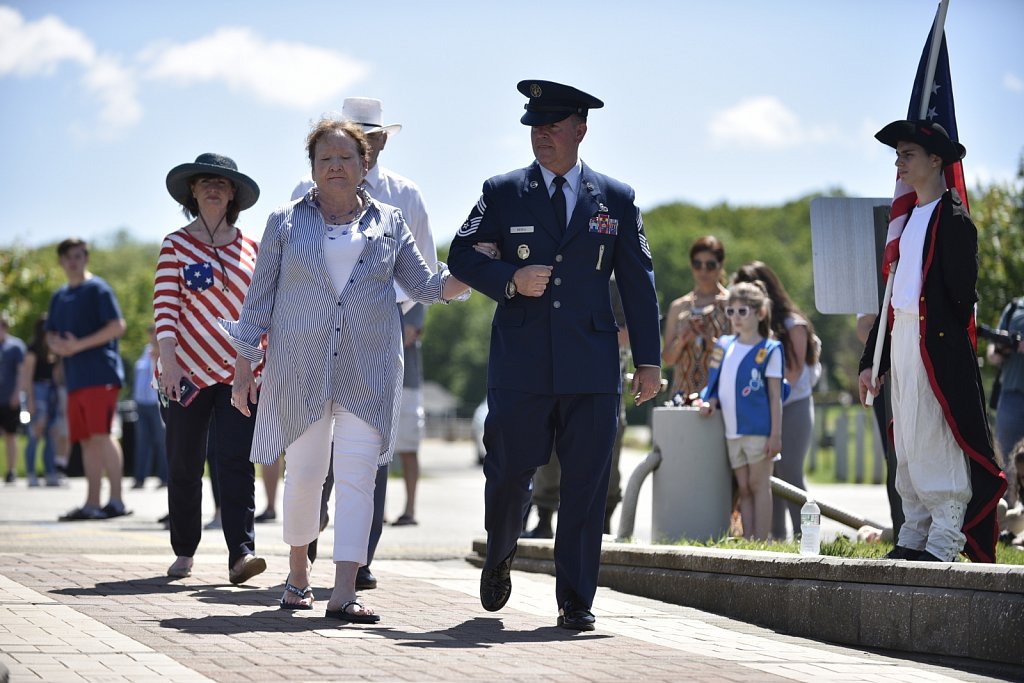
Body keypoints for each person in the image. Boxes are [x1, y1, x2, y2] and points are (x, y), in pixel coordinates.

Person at [224, 118, 469, 622]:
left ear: (365, 165)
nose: (335, 166)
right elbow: (259, 298)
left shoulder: (391, 222)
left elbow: (424, 285)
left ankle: (344, 591)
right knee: (305, 475)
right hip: (300, 366)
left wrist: (475, 273)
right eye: (324, 159)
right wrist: (244, 364)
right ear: (312, 169)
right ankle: (297, 575)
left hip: (369, 368)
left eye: (346, 158)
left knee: (359, 477)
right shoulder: (284, 222)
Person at [447, 80, 662, 632]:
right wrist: (511, 279)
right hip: (521, 365)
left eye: (552, 125)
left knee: (585, 487)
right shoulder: (503, 191)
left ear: (579, 130)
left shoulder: (615, 197)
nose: (541, 135)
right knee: (508, 474)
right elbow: (462, 252)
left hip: (590, 366)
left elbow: (638, 282)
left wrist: (648, 359)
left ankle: (576, 600)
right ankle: (500, 552)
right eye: (534, 126)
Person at [292, 98, 438, 590]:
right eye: (349, 138)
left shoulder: (405, 196)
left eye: (367, 138)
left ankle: (358, 562)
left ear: (381, 142)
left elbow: (424, 271)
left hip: (379, 332)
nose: (357, 148)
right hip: (314, 339)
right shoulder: (302, 194)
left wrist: (385, 310)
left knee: (367, 455)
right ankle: (305, 556)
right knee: (313, 460)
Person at [859, 120, 1006, 563]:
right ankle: (914, 534)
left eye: (908, 155)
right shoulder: (906, 221)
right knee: (907, 440)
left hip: (933, 346)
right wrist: (873, 360)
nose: (899, 163)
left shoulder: (954, 219)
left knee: (936, 439)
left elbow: (960, 300)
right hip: (902, 337)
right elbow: (891, 299)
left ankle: (943, 541)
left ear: (935, 160)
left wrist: (930, 340)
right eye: (898, 155)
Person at [156, 153, 266, 584]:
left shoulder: (253, 248)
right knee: (184, 462)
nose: (214, 189)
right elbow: (165, 310)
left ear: (233, 194)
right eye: (205, 183)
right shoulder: (175, 245)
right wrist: (168, 365)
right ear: (193, 193)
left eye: (222, 183)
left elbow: (263, 311)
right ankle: (184, 551)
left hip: (242, 374)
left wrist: (261, 364)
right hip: (188, 375)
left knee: (237, 462)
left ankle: (242, 553)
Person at [522, 277, 629, 539]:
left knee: (608, 456)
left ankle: (602, 524)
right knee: (549, 454)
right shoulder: (556, 274)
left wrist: (586, 335)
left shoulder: (616, 283)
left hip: (603, 382)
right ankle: (544, 519)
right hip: (557, 376)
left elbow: (627, 334)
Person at [733, 261, 819, 540]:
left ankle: (806, 538)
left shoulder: (794, 324)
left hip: (792, 406)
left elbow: (791, 375)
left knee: (791, 473)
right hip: (764, 411)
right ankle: (778, 540)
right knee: (770, 478)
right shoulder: (747, 328)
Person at [46, 238, 130, 521]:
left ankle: (116, 501)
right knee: (85, 441)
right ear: (60, 261)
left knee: (102, 434)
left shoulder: (99, 289)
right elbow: (50, 334)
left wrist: (77, 345)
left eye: (80, 255)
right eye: (69, 256)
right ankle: (92, 504)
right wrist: (57, 346)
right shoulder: (58, 296)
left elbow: (118, 326)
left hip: (101, 375)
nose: (74, 261)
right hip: (75, 379)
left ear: (86, 258)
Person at [698, 282, 784, 540]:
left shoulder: (770, 349)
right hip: (732, 429)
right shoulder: (724, 344)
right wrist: (709, 400)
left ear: (760, 313)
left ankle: (762, 540)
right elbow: (714, 383)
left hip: (758, 430)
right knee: (744, 488)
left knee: (759, 486)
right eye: (730, 312)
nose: (735, 318)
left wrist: (776, 435)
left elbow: (775, 396)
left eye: (742, 311)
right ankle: (749, 540)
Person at [663, 236, 730, 401]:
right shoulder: (678, 307)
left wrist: (711, 343)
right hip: (682, 396)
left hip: (719, 398)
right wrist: (682, 340)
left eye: (710, 265)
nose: (703, 271)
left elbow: (739, 356)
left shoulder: (731, 304)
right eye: (697, 264)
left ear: (721, 265)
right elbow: (668, 359)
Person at [986, 296, 1024, 497]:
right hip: (1012, 398)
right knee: (1008, 462)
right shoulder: (1014, 308)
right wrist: (1003, 350)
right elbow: (992, 354)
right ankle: (1010, 514)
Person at [20, 315, 61, 487]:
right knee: (35, 433)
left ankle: (50, 472)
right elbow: (27, 376)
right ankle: (31, 473)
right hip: (38, 391)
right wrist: (30, 400)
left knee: (52, 433)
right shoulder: (33, 349)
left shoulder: (53, 349)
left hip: (52, 390)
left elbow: (57, 375)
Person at [131, 325, 167, 489]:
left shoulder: (164, 352)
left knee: (161, 441)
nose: (152, 337)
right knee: (142, 441)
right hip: (141, 402)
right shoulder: (145, 351)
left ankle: (164, 477)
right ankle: (139, 478)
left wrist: (157, 355)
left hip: (156, 402)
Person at [0, 314, 26, 484]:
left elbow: (22, 372)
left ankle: (11, 470)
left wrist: (17, 394)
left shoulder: (15, 346)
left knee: (11, 435)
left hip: (10, 399)